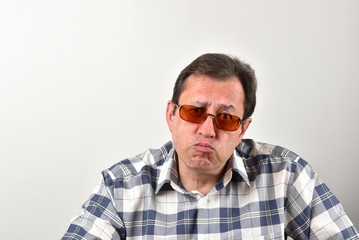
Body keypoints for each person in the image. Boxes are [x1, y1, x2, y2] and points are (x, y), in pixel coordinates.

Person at [62, 53, 358, 239]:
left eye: (227, 118)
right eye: (195, 112)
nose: (208, 130)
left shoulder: (286, 175)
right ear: (171, 115)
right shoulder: (121, 187)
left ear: (243, 129)